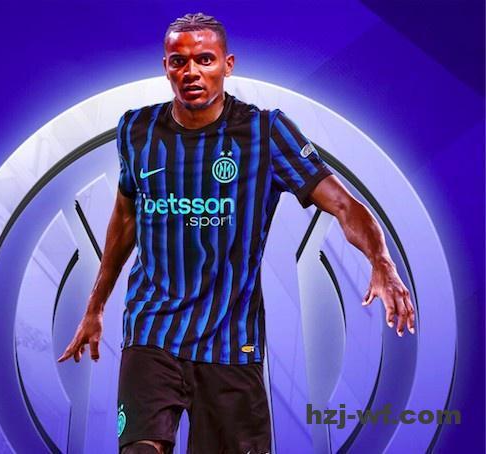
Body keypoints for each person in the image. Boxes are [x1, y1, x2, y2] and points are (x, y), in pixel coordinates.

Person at [58, 12, 415, 454]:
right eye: (179, 62)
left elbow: (344, 205)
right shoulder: (136, 130)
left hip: (230, 345)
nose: (191, 72)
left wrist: (381, 261)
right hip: (151, 333)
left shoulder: (265, 134)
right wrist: (95, 306)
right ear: (166, 67)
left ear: (227, 65)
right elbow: (125, 218)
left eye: (204, 60)